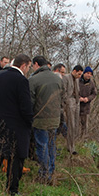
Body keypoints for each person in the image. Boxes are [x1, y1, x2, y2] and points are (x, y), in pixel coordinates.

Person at [0, 54, 34, 195]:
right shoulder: (21, 80)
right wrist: (29, 122)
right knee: (17, 157)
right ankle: (12, 189)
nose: (28, 70)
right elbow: (25, 106)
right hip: (18, 124)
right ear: (24, 65)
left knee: (2, 152)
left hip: (1, 122)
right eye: (28, 67)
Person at [29, 56, 64, 184]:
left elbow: (30, 102)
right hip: (55, 119)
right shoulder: (58, 78)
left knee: (42, 146)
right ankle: (51, 169)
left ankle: (45, 174)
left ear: (36, 64)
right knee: (51, 144)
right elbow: (63, 98)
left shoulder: (33, 80)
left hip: (40, 120)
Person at [61, 65, 83, 154]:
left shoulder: (77, 79)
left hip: (76, 102)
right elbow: (63, 92)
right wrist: (67, 101)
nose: (79, 76)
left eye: (81, 74)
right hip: (69, 102)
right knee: (71, 125)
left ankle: (72, 144)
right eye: (78, 74)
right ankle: (71, 147)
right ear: (74, 71)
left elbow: (77, 90)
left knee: (76, 125)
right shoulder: (66, 78)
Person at [78, 66, 97, 136]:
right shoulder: (77, 81)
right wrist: (79, 98)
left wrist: (88, 98)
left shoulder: (91, 83)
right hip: (76, 106)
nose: (89, 75)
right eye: (87, 73)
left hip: (86, 107)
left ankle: (83, 139)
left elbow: (94, 94)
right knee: (76, 125)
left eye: (90, 74)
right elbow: (72, 92)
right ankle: (75, 140)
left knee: (85, 125)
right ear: (84, 73)